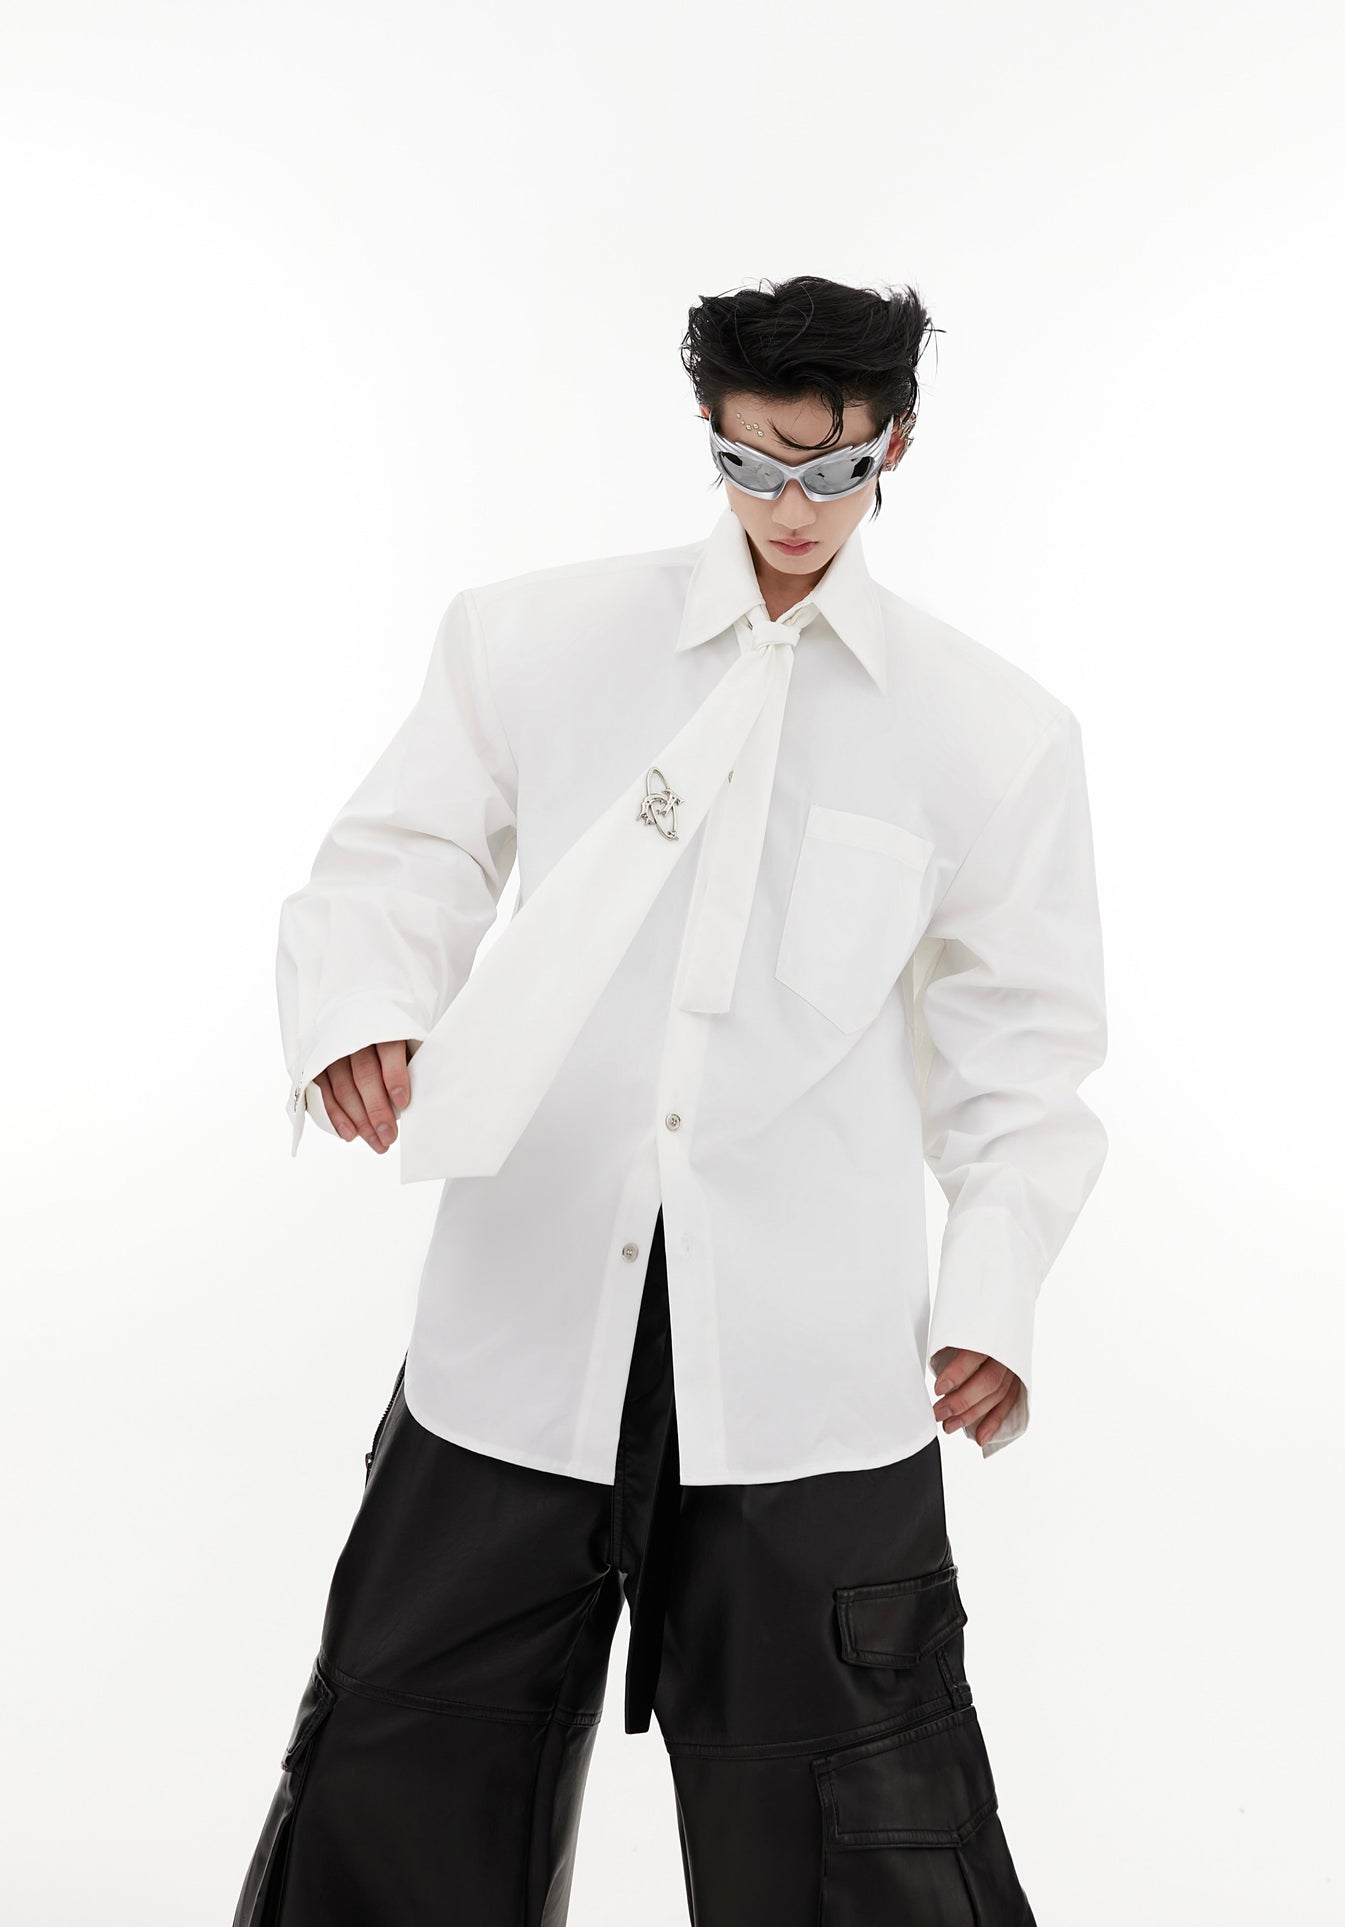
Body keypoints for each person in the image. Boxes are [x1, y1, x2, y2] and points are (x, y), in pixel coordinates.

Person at [232, 274, 1108, 1925]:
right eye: (752, 463)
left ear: (894, 446)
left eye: (832, 469)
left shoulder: (988, 733)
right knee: (397, 1794)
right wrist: (366, 1006)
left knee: (859, 1837)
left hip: (806, 1373)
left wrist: (992, 1292)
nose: (791, 508)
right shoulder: (531, 639)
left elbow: (1022, 1061)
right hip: (518, 1334)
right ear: (708, 431)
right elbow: (400, 858)